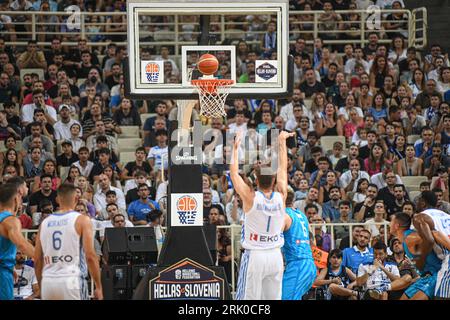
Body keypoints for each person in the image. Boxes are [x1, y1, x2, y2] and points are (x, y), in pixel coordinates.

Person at [232, 131, 294, 300]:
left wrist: (235, 149)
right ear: (274, 182)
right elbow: (283, 167)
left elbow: (234, 175)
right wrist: (282, 141)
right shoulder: (281, 196)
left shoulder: (250, 197)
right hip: (275, 256)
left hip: (255, 255)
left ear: (256, 181)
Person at [34, 184, 103, 300]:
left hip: (48, 280)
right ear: (76, 198)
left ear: (57, 199)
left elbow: (37, 259)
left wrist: (42, 286)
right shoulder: (82, 220)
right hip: (72, 279)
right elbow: (90, 256)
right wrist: (98, 286)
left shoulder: (44, 223)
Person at [390, 212, 442, 300]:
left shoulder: (410, 237)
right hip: (424, 277)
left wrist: (420, 260)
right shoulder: (405, 239)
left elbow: (432, 237)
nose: (389, 223)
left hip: (435, 275)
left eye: (391, 221)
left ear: (396, 225)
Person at [0, 184, 35, 300]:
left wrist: (12, 269)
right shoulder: (11, 220)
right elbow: (22, 244)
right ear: (16, 199)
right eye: (20, 199)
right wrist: (44, 257)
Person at [413, 191, 450, 299]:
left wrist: (420, 260)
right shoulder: (447, 215)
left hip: (448, 256)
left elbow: (429, 240)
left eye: (418, 200)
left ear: (423, 202)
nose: (416, 202)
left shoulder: (420, 217)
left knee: (441, 296)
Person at [281, 190, 316, 300]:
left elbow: (273, 239)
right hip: (309, 263)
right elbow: (312, 241)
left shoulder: (284, 216)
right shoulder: (301, 215)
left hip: (297, 264)